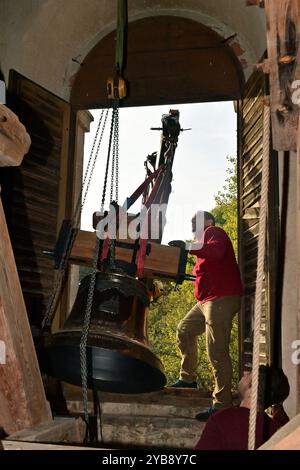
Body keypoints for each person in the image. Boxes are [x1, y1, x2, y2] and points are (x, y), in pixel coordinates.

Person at [171, 210, 243, 420]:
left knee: (217, 352)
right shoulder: (201, 243)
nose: (192, 222)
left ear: (209, 221)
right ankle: (188, 379)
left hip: (220, 298)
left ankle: (222, 404)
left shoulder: (215, 232)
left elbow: (217, 252)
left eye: (197, 219)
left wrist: (187, 247)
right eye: (191, 220)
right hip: (206, 301)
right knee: (184, 330)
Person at [195, 365, 290, 450]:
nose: (245, 372)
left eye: (249, 374)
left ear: (252, 388)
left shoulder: (222, 419)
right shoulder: (275, 429)